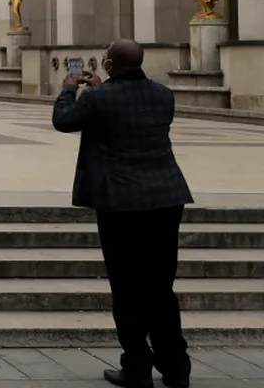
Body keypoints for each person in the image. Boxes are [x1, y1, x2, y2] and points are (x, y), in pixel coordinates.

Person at [52, 39, 193, 388]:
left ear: (110, 65)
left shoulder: (97, 99)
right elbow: (128, 113)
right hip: (165, 197)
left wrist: (69, 90)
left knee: (128, 287)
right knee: (160, 287)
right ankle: (176, 368)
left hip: (121, 203)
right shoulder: (164, 95)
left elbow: (63, 121)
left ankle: (137, 367)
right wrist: (103, 88)